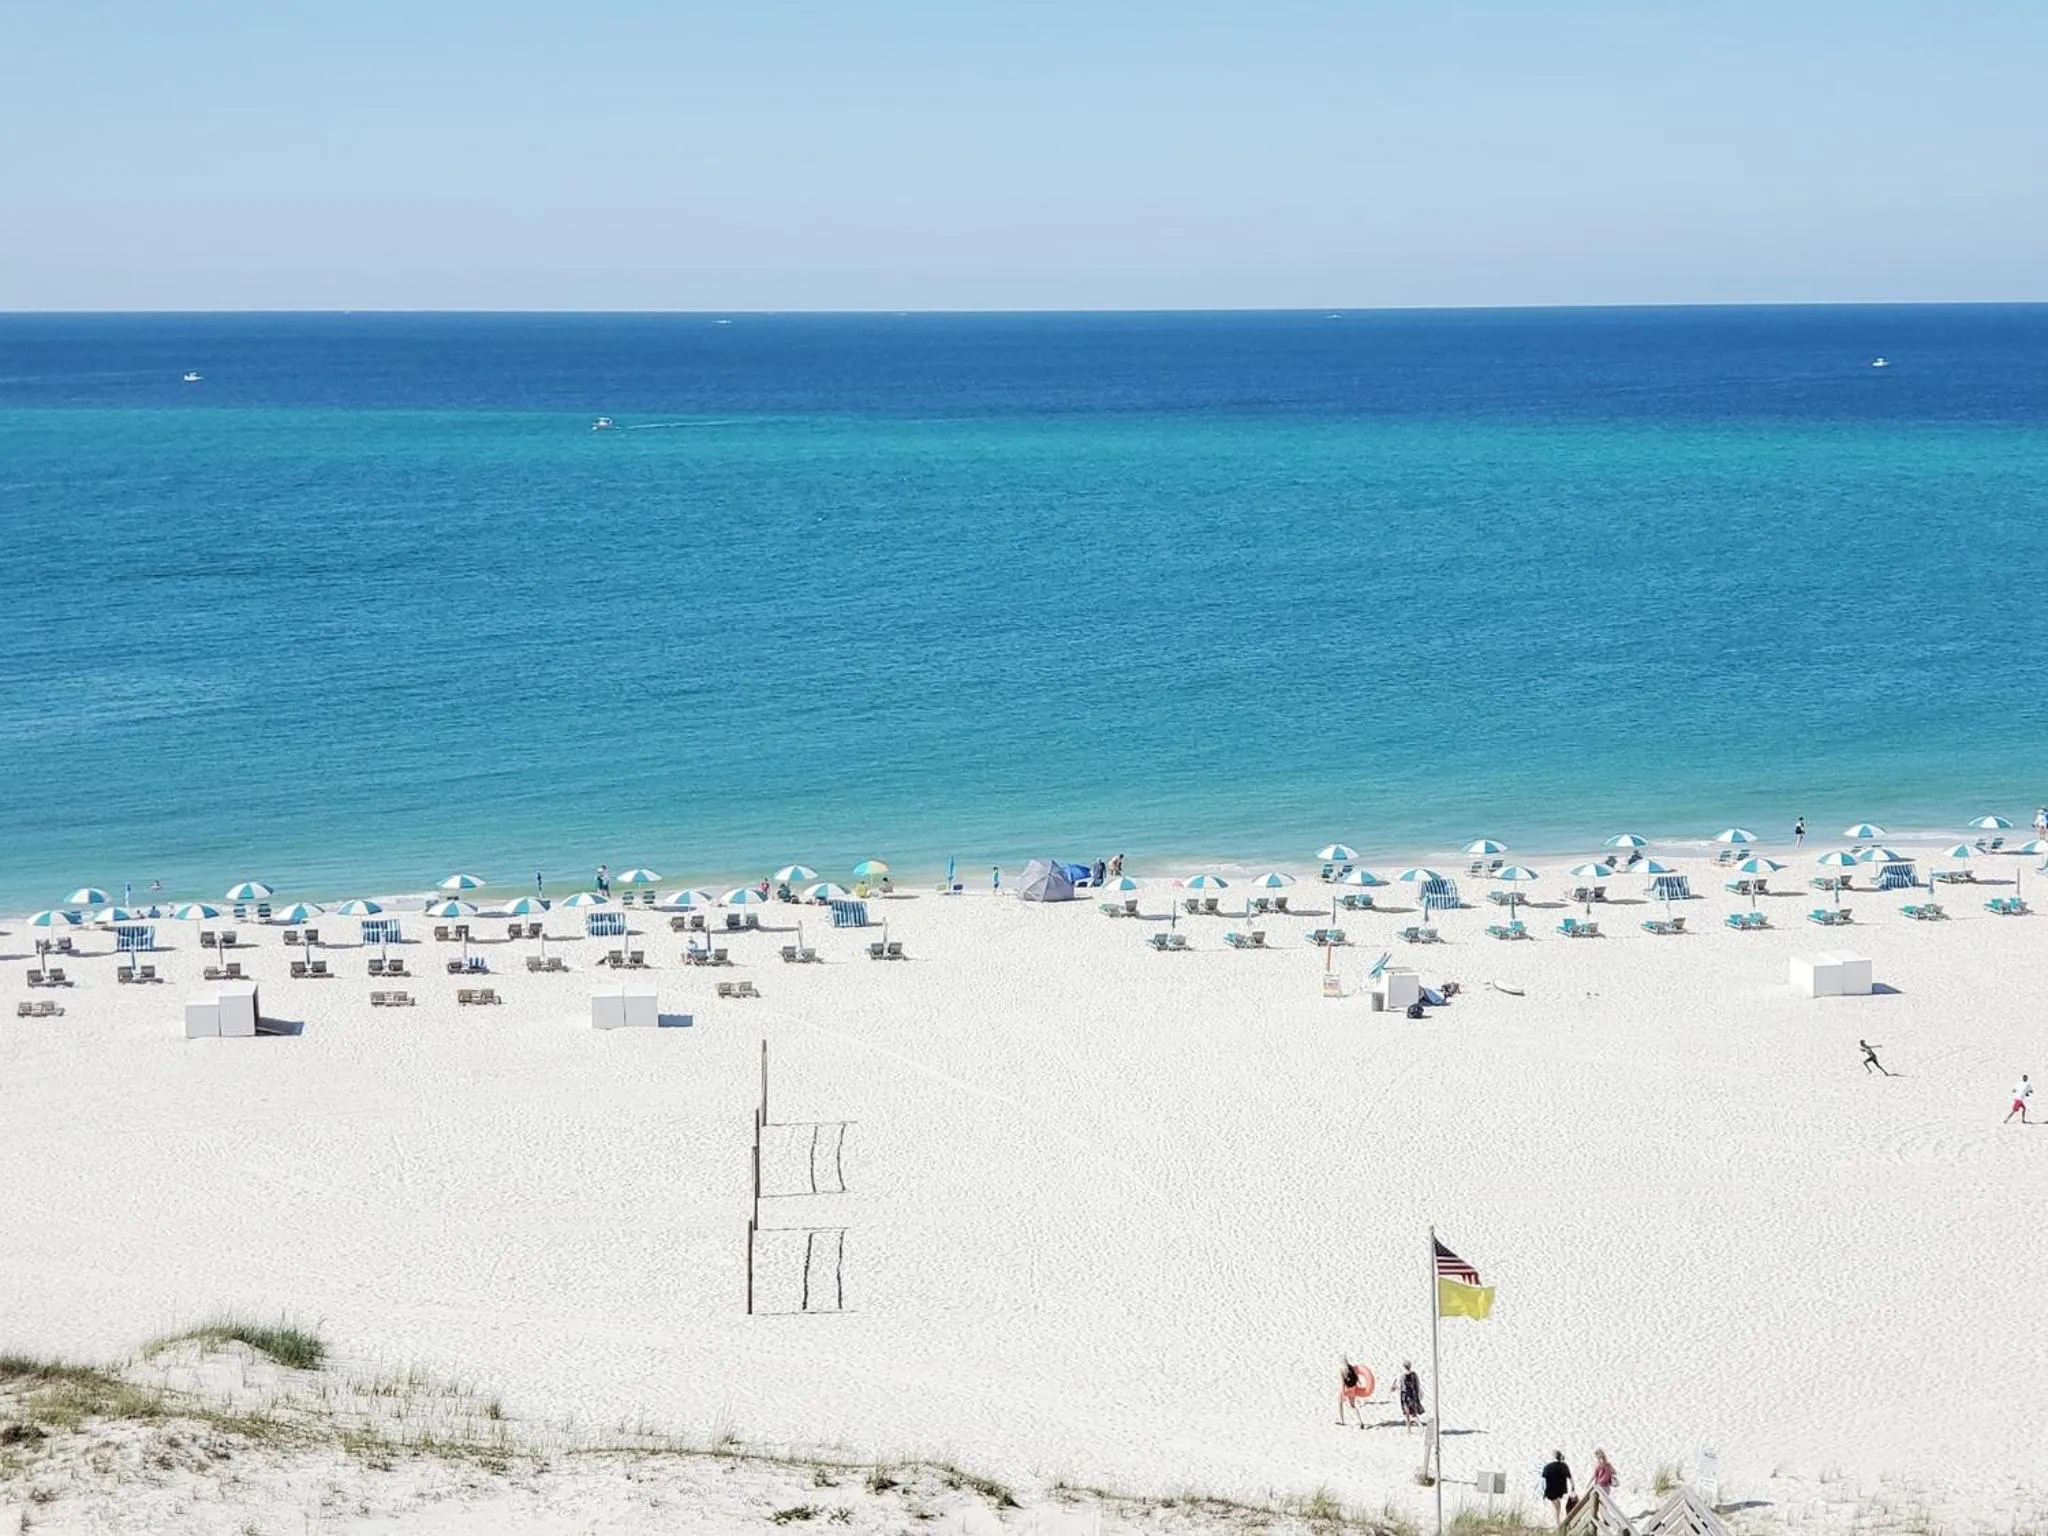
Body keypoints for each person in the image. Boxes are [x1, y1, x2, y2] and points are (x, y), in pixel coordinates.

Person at [1541, 1452, 1575, 1526]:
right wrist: (1573, 1487)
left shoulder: (1547, 1467)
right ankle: (1558, 1521)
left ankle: (1557, 1523)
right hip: (1561, 1490)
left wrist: (1544, 1492)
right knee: (1558, 1504)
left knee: (1555, 1505)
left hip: (1550, 1490)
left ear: (1553, 1457)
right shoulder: (1564, 1466)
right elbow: (1570, 1478)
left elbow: (1543, 1481)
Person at [1336, 1357, 1370, 1428]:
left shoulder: (1342, 1370)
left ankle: (1342, 1421)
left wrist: (1343, 1394)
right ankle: (1360, 1422)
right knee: (1352, 1406)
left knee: (1340, 1403)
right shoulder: (1351, 1367)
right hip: (1353, 1388)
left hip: (1346, 1389)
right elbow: (1356, 1378)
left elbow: (1343, 1383)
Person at [1398, 1361, 1423, 1430]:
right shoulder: (1414, 1375)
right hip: (1413, 1395)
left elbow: (1402, 1386)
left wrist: (1395, 1388)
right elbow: (1418, 1384)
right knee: (1413, 1413)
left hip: (1405, 1396)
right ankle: (1419, 1426)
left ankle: (1409, 1430)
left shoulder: (1403, 1376)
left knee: (1407, 1414)